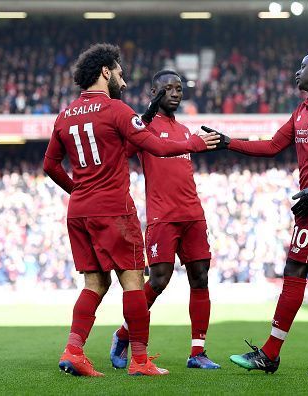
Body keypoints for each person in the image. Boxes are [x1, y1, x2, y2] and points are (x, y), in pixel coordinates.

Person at [43, 43, 219, 377]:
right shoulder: (117, 111)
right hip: (113, 208)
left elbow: (50, 164)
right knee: (135, 281)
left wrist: (77, 190)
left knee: (94, 285)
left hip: (79, 210)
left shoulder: (65, 115)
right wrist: (195, 143)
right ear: (106, 72)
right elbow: (155, 145)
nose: (123, 82)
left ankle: (73, 351)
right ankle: (139, 360)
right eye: (120, 74)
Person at [216, 49, 308, 375]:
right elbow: (271, 146)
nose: (298, 71)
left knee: (294, 269)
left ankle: (269, 354)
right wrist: (229, 143)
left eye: (304, 66)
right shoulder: (301, 110)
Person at [110, 70, 221, 370]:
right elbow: (126, 150)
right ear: (153, 91)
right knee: (158, 281)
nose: (175, 93)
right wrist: (144, 117)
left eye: (179, 88)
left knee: (201, 277)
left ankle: (197, 352)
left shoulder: (186, 131)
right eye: (168, 88)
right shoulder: (143, 128)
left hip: (193, 215)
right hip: (163, 217)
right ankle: (123, 333)